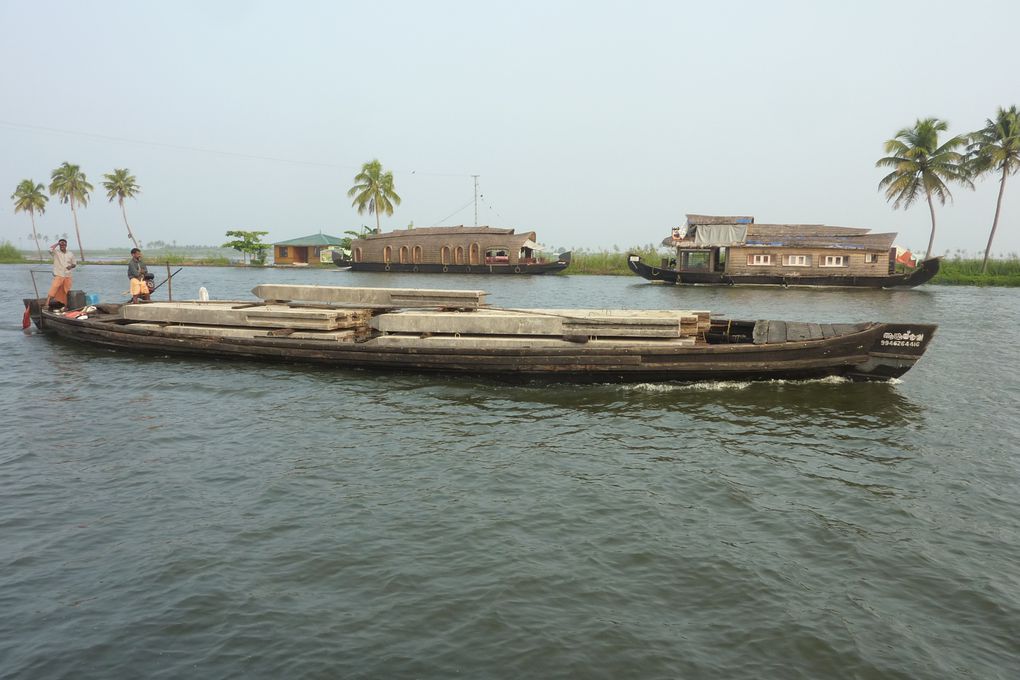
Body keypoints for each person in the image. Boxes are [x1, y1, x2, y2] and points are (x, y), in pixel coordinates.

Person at [44, 238, 77, 309]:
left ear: (66, 245)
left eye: (63, 244)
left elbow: (74, 264)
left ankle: (65, 305)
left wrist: (70, 266)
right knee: (54, 287)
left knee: (66, 290)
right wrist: (57, 243)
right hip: (59, 274)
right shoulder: (56, 252)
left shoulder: (70, 254)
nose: (62, 246)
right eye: (61, 245)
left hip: (68, 275)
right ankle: (47, 303)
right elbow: (49, 249)